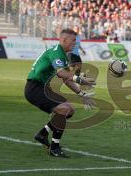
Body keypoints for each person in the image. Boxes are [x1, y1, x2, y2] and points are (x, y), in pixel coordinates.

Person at [24, 28, 96, 158]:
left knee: (70, 110)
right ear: (63, 40)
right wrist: (80, 79)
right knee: (63, 110)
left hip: (43, 88)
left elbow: (66, 79)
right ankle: (54, 148)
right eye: (73, 40)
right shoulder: (57, 52)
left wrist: (82, 94)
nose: (75, 43)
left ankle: (42, 134)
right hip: (35, 88)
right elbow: (61, 73)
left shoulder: (62, 54)